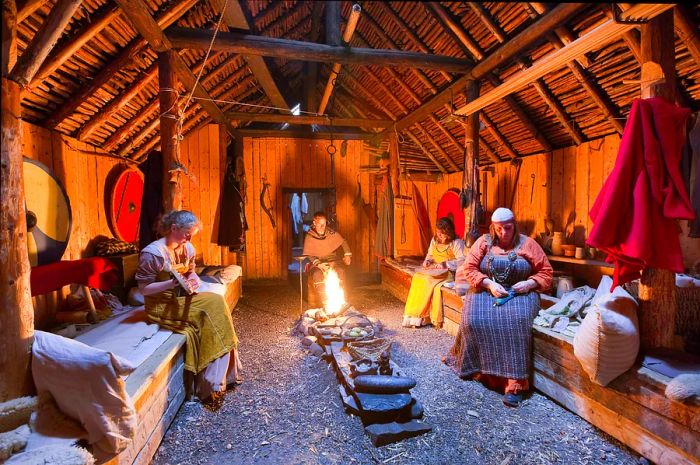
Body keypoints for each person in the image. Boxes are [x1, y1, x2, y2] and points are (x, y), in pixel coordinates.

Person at [444, 207, 552, 407]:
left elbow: (546, 272)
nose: (503, 233)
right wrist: (489, 284)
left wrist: (530, 283)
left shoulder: (528, 244)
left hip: (520, 292)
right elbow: (469, 268)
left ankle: (514, 384)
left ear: (515, 225)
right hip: (487, 289)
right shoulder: (483, 242)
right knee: (474, 321)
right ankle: (478, 369)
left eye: (508, 228)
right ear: (493, 227)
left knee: (515, 324)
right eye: (499, 228)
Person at [135, 210, 241, 406]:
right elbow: (144, 290)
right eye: (187, 234)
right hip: (161, 305)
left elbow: (192, 273)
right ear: (173, 228)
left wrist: (192, 281)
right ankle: (211, 382)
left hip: (183, 297)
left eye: (192, 234)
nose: (190, 238)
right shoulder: (153, 254)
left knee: (216, 302)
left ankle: (220, 377)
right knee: (212, 306)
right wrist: (170, 285)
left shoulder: (187, 248)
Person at [402, 217, 465, 328]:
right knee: (417, 277)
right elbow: (430, 255)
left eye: (442, 233)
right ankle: (412, 315)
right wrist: (427, 261)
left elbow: (462, 260)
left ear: (449, 233)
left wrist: (445, 264)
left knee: (427, 280)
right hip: (434, 270)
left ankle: (422, 316)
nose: (439, 235)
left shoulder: (456, 243)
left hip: (448, 272)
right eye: (438, 232)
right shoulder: (434, 240)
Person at [302, 211, 352, 305]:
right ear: (314, 223)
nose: (322, 227)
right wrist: (319, 264)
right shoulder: (310, 236)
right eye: (320, 224)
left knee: (340, 272)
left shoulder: (331, 233)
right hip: (318, 263)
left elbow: (343, 241)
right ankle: (326, 302)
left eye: (324, 224)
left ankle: (340, 302)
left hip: (333, 261)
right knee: (317, 275)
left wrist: (347, 255)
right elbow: (309, 254)